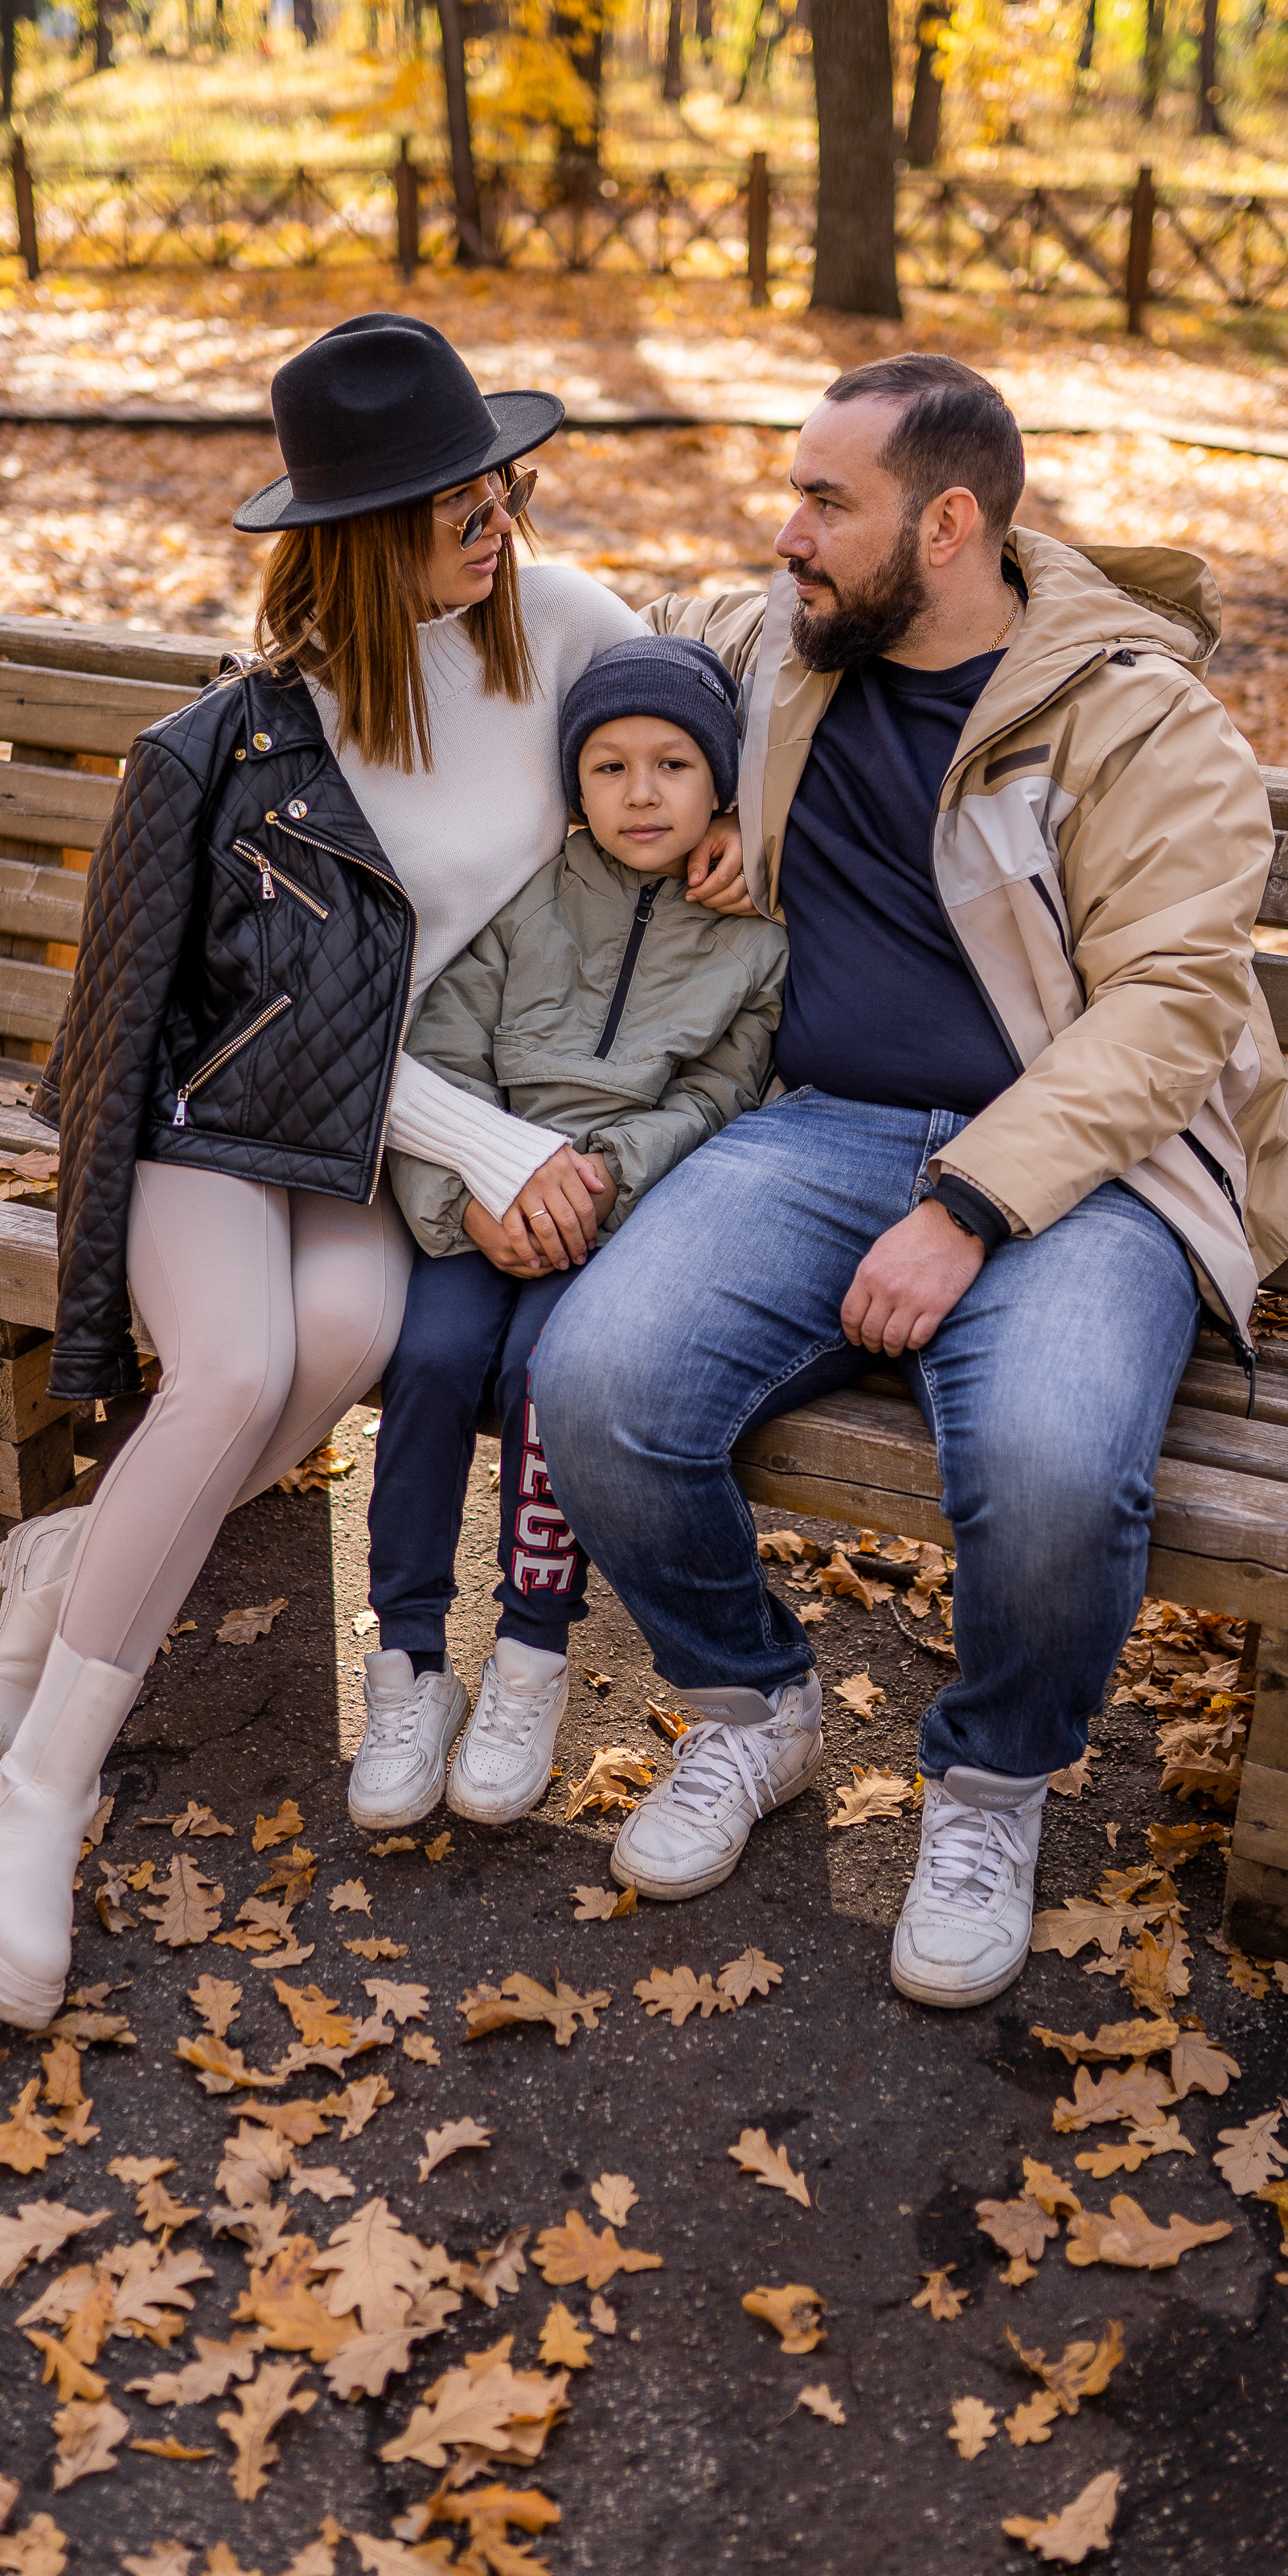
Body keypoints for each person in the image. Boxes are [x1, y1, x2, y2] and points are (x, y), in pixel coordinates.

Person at [0, 313, 749, 2032]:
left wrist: (744, 804)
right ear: (364, 532)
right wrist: (495, 1144)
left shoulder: (573, 626)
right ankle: (36, 1800)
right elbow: (271, 1022)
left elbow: (724, 665)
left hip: (363, 1154)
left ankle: (68, 1565)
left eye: (497, 477)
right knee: (232, 1369)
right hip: (213, 1122)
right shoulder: (267, 738)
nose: (494, 513)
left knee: (344, 1347)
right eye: (451, 498)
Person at [531, 351, 1288, 2004]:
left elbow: (1173, 1009)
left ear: (951, 522)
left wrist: (968, 1205)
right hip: (820, 1127)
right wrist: (674, 770)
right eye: (792, 494)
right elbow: (650, 636)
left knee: (1052, 1468)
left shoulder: (1139, 720)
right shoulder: (789, 645)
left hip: (1084, 1166)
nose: (786, 530)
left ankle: (988, 1790)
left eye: (827, 501)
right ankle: (755, 1708)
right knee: (594, 1379)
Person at [355, 637, 790, 1834]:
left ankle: (529, 1655)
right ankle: (409, 1661)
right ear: (574, 781)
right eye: (608, 767)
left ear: (722, 784)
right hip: (481, 1198)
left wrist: (601, 1179)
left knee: (551, 1375)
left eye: (671, 765)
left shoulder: (757, 935)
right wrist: (473, 1198)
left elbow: (722, 1100)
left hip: (616, 1214)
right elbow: (440, 1053)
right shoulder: (530, 894)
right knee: (433, 1362)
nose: (640, 793)